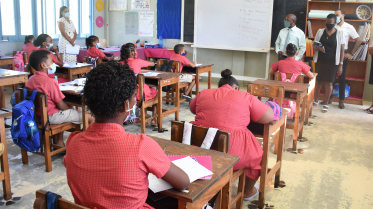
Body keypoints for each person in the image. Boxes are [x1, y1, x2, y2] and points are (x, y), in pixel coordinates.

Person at [63, 61, 189, 208]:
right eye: (134, 97)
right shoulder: (141, 145)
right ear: (126, 105)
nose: (135, 102)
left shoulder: (73, 142)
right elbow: (183, 182)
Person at [190, 69, 274, 201]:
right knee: (257, 156)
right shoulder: (245, 96)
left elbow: (193, 108)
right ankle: (247, 191)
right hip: (231, 153)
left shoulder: (204, 93)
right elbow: (269, 117)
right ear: (236, 87)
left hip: (199, 148)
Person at [26, 50, 94, 147]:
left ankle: (59, 142)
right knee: (91, 116)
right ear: (43, 65)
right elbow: (61, 105)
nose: (54, 63)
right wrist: (70, 109)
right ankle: (86, 146)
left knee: (60, 110)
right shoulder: (50, 82)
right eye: (51, 61)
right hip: (51, 117)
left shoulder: (30, 79)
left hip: (36, 116)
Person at [313, 14, 345, 113]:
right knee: (318, 81)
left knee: (329, 82)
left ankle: (326, 103)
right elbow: (314, 45)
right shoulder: (320, 31)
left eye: (330, 23)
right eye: (327, 22)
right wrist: (318, 48)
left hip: (332, 62)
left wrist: (341, 64)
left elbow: (342, 49)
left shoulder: (340, 32)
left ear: (335, 23)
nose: (328, 24)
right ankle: (315, 100)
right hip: (320, 60)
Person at [120, 43, 157, 126]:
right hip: (137, 93)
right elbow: (151, 64)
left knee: (144, 92)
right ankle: (153, 119)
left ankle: (143, 116)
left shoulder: (120, 63)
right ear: (133, 53)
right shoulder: (138, 62)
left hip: (125, 93)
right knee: (154, 91)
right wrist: (154, 63)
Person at [332, 9, 363, 109]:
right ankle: (328, 98)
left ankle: (341, 100)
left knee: (341, 77)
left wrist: (351, 53)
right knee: (331, 76)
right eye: (334, 15)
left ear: (343, 15)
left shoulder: (349, 27)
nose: (335, 17)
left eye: (337, 15)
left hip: (343, 54)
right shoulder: (332, 25)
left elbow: (358, 40)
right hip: (332, 53)